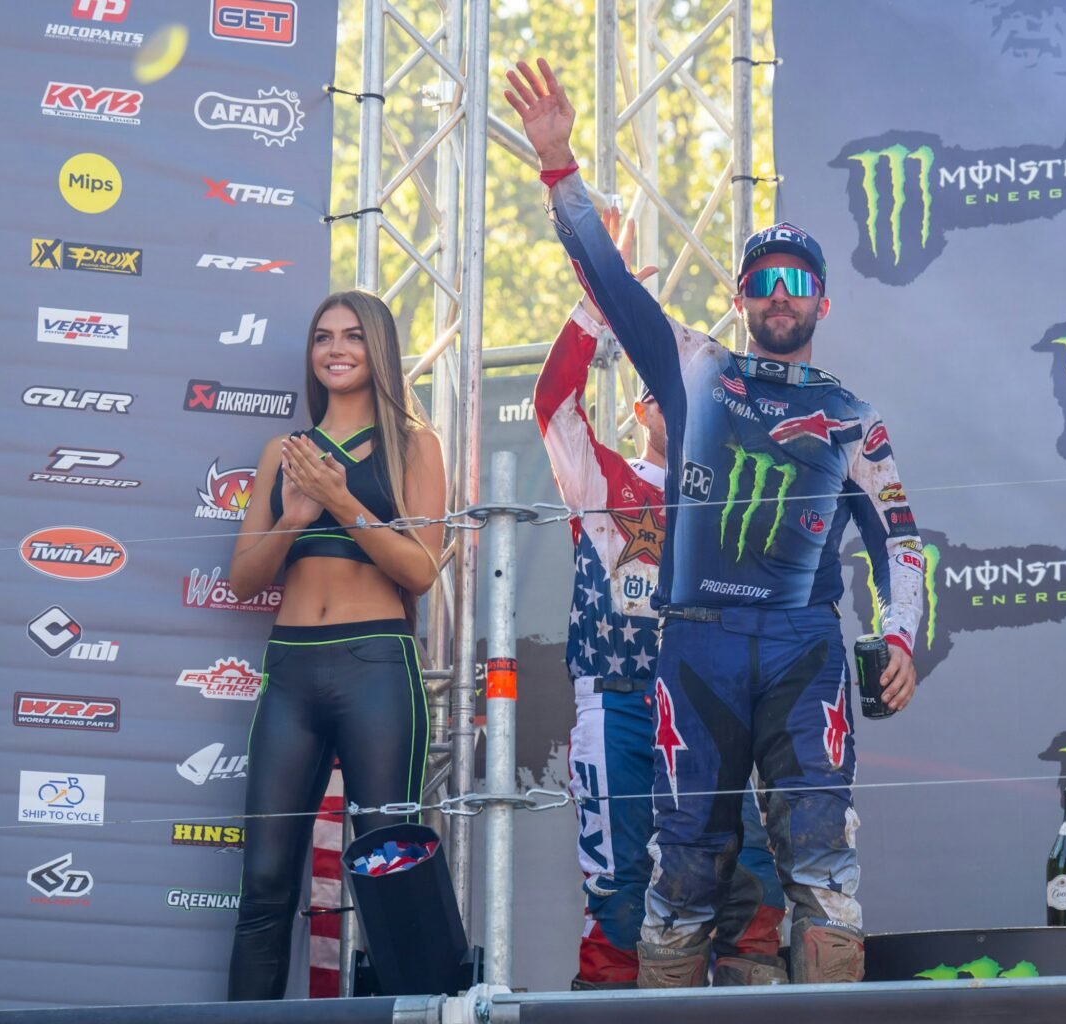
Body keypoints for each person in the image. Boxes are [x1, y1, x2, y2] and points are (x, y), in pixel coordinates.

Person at [505, 59, 925, 987]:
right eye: (762, 279)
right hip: (696, 643)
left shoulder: (852, 415)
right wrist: (558, 165)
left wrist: (898, 633)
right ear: (739, 299)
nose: (780, 292)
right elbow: (611, 283)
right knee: (684, 865)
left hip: (804, 645)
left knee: (820, 859)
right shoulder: (695, 369)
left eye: (797, 279)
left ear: (822, 302)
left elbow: (900, 537)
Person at [535, 231, 787, 988]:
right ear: (642, 404)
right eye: (672, 386)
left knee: (746, 883)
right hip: (619, 704)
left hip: (713, 706)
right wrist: (594, 306)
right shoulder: (604, 481)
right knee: (618, 889)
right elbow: (554, 406)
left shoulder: (741, 500)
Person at [224, 290, 447, 1000]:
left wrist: (343, 501)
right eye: (323, 337)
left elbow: (420, 571)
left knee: (392, 872)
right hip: (290, 671)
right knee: (264, 879)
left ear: (378, 350)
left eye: (352, 336)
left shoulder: (416, 444)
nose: (336, 349)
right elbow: (243, 579)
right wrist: (295, 516)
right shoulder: (282, 453)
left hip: (375, 667)